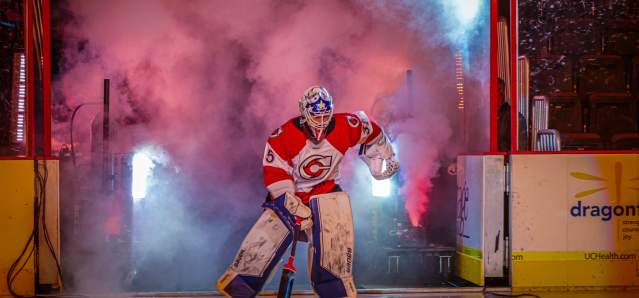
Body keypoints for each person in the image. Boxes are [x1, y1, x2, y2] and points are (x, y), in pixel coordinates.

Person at [215, 86, 399, 297]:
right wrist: (291, 205)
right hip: (293, 196)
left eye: (324, 115)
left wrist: (384, 156)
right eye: (315, 115)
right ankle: (241, 287)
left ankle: (335, 291)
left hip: (327, 191)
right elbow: (275, 173)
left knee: (335, 247)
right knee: (264, 241)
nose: (321, 121)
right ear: (304, 112)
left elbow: (371, 131)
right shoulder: (283, 136)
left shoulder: (347, 124)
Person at [497, 78, 528, 151]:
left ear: (501, 91)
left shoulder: (516, 118)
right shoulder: (480, 116)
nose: (484, 94)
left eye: (488, 90)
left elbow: (520, 152)